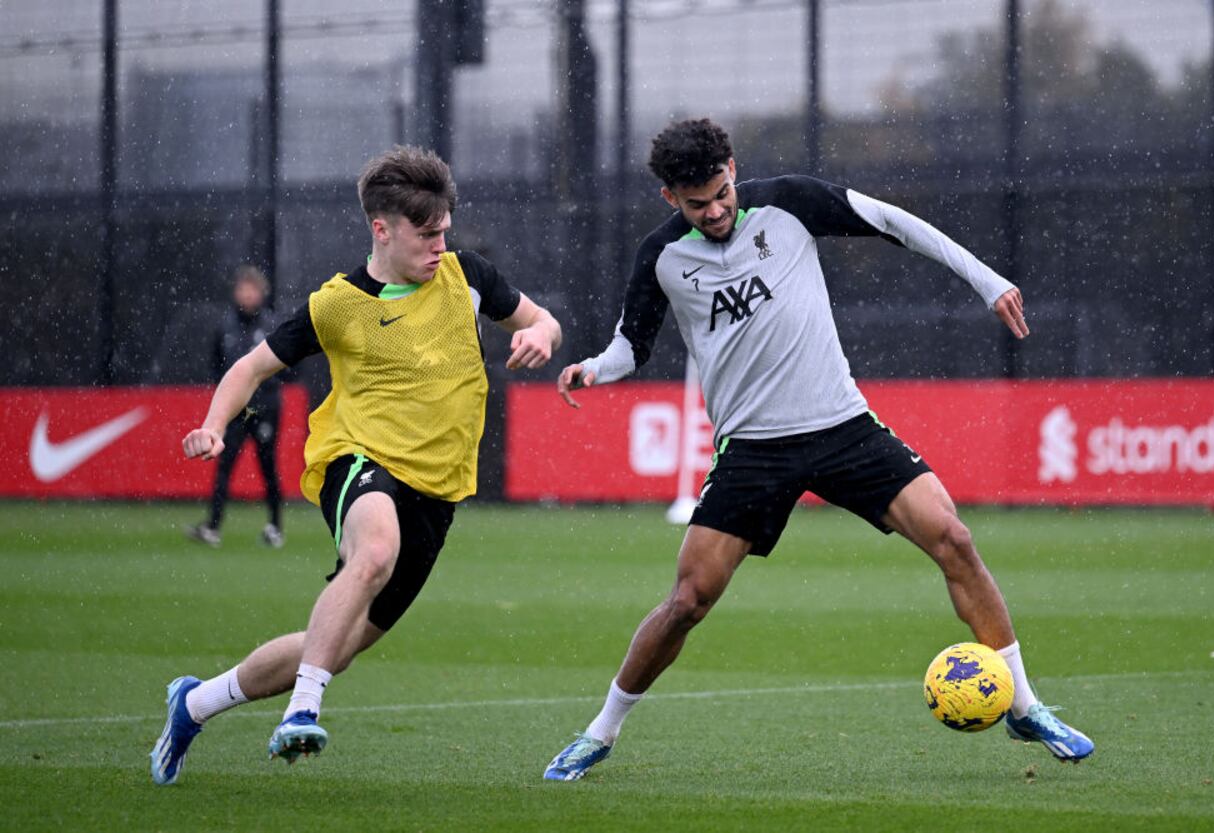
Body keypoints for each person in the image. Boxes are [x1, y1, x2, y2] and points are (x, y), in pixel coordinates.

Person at [544, 118, 1092, 781]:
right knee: (688, 600)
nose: (715, 211)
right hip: (752, 451)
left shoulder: (789, 203)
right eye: (697, 204)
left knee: (953, 536)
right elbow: (633, 345)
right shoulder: (661, 257)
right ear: (670, 199)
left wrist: (987, 280)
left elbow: (893, 222)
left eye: (721, 193)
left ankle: (1025, 704)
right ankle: (599, 733)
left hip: (842, 428)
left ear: (733, 169)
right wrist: (596, 369)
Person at [149, 145, 563, 785]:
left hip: (439, 490)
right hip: (358, 458)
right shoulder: (338, 304)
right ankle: (300, 712)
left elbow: (542, 321)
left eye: (444, 230)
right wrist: (212, 424)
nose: (439, 245)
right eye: (427, 235)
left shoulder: (468, 276)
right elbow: (251, 368)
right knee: (373, 554)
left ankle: (196, 702)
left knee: (334, 650)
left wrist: (540, 332)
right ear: (382, 228)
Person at [187, 264, 286, 549]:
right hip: (238, 411)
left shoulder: (271, 325)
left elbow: (289, 367)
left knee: (268, 467)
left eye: (252, 289)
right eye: (243, 289)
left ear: (262, 293)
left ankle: (275, 527)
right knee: (224, 465)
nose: (247, 295)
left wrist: (267, 390)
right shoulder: (226, 326)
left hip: (265, 407)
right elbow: (217, 367)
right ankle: (213, 527)